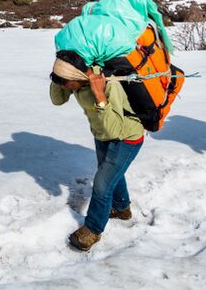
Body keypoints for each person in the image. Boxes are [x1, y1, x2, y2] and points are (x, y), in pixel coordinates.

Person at [49, 60, 144, 252]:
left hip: (126, 137)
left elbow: (115, 129)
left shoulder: (108, 84)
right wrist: (58, 75)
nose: (65, 87)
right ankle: (122, 208)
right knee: (111, 175)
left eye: (66, 83)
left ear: (77, 77)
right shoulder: (76, 80)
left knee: (103, 183)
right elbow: (57, 100)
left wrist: (100, 95)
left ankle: (93, 229)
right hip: (102, 134)